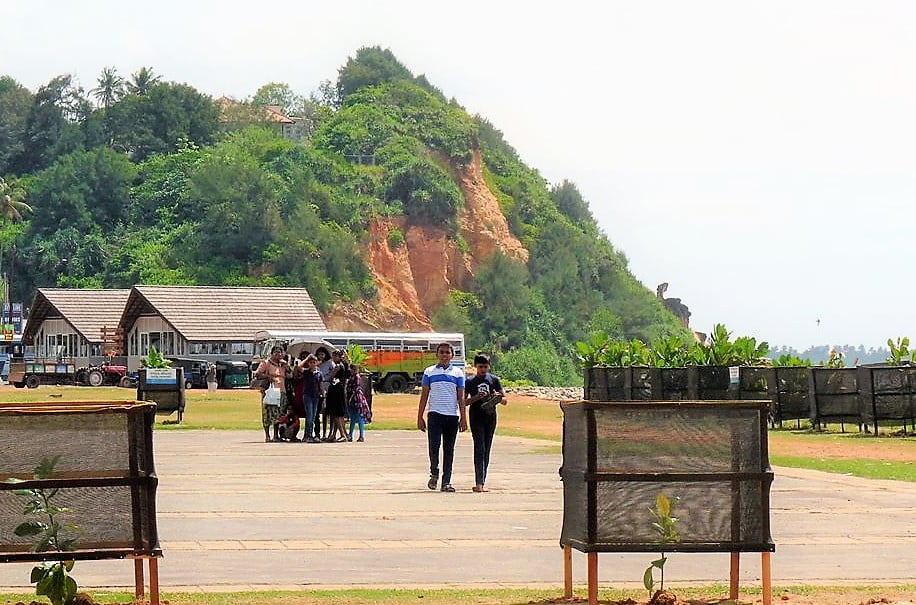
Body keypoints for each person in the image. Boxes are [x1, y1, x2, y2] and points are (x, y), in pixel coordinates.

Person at [417, 342, 466, 492]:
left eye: (447, 352)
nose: (444, 355)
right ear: (437, 354)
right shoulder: (429, 372)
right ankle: (434, 473)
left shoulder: (458, 373)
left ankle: (446, 482)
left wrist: (463, 417)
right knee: (434, 446)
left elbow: (461, 397)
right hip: (435, 414)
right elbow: (424, 395)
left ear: (452, 355)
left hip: (451, 415)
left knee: (449, 449)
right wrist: (419, 416)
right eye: (442, 352)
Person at [465, 353, 507, 492]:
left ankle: (482, 481)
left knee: (487, 449)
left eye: (485, 367)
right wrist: (477, 397)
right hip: (476, 417)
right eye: (480, 367)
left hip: (490, 417)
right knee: (479, 448)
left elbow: (505, 400)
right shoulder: (470, 381)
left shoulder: (494, 380)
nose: (483, 369)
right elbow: (463, 402)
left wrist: (496, 397)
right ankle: (479, 482)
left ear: (489, 366)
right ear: (475, 367)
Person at [254, 345, 290, 442]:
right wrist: (268, 376)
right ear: (272, 353)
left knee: (278, 414)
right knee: (267, 413)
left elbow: (290, 376)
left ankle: (276, 435)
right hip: (270, 392)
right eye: (276, 352)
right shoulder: (266, 363)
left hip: (281, 392)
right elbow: (257, 374)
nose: (278, 354)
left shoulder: (282, 365)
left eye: (280, 352)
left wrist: (287, 367)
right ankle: (267, 435)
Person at [324, 350, 350, 442]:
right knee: (337, 414)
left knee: (336, 413)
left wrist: (330, 374)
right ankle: (334, 435)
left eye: (335, 356)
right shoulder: (344, 365)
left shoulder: (338, 366)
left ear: (339, 357)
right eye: (333, 356)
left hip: (336, 390)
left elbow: (330, 377)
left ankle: (343, 435)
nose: (333, 358)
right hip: (339, 389)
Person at [298, 354, 322, 443]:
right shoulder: (306, 372)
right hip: (307, 395)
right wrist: (307, 358)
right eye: (311, 362)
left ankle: (309, 434)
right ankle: (309, 435)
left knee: (313, 416)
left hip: (315, 396)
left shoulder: (319, 373)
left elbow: (320, 385)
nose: (312, 364)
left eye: (314, 362)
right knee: (309, 416)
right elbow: (299, 367)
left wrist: (322, 393)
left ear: (316, 363)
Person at [347, 361, 372, 442]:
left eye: (353, 369)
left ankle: (361, 436)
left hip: (357, 399)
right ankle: (350, 435)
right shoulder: (351, 377)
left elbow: (356, 388)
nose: (351, 371)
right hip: (352, 399)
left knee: (359, 417)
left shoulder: (356, 377)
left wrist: (351, 397)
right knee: (353, 418)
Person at [315, 347, 334, 440]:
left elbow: (334, 372)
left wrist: (329, 377)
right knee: (322, 412)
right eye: (319, 354)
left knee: (329, 412)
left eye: (322, 354)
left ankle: (330, 433)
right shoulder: (316, 364)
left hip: (329, 387)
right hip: (319, 388)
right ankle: (323, 433)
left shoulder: (330, 363)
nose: (320, 356)